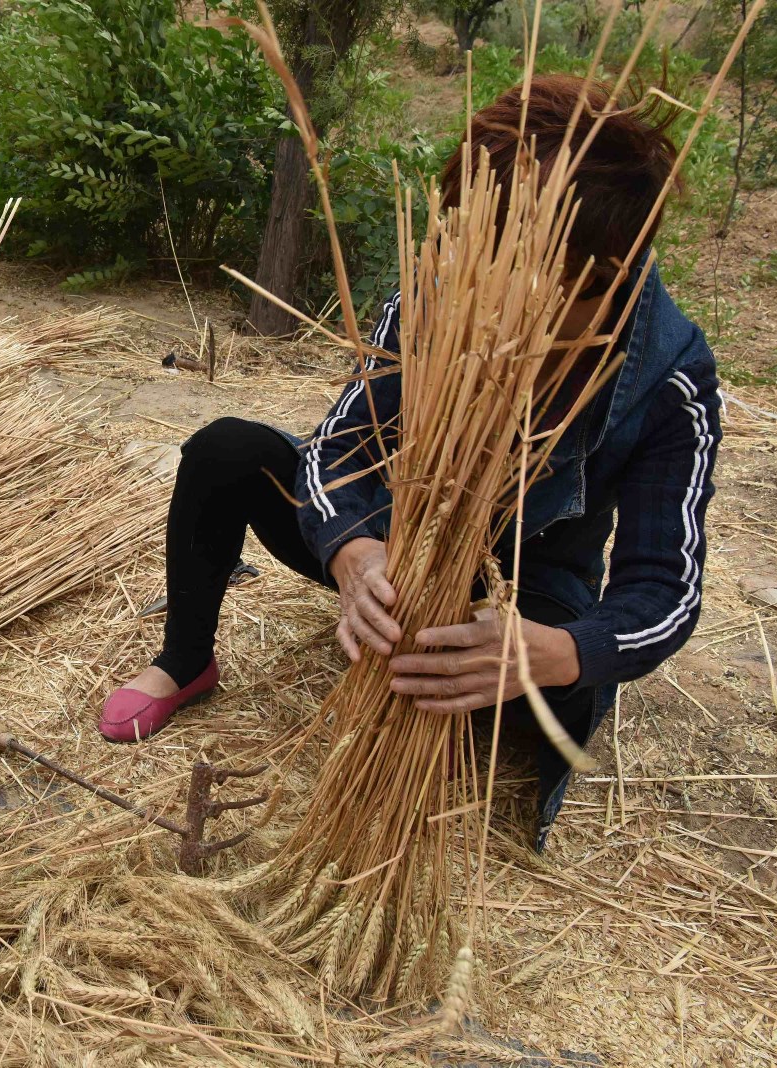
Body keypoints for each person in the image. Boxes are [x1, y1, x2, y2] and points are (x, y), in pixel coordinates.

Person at [100, 75, 722, 849]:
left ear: (607, 275)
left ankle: (490, 679)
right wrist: (355, 554)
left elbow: (665, 591)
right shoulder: (443, 292)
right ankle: (185, 661)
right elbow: (337, 448)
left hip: (522, 603)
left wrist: (553, 653)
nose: (488, 300)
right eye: (476, 254)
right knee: (226, 451)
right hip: (399, 552)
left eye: (534, 281)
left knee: (563, 699)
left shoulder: (671, 375)